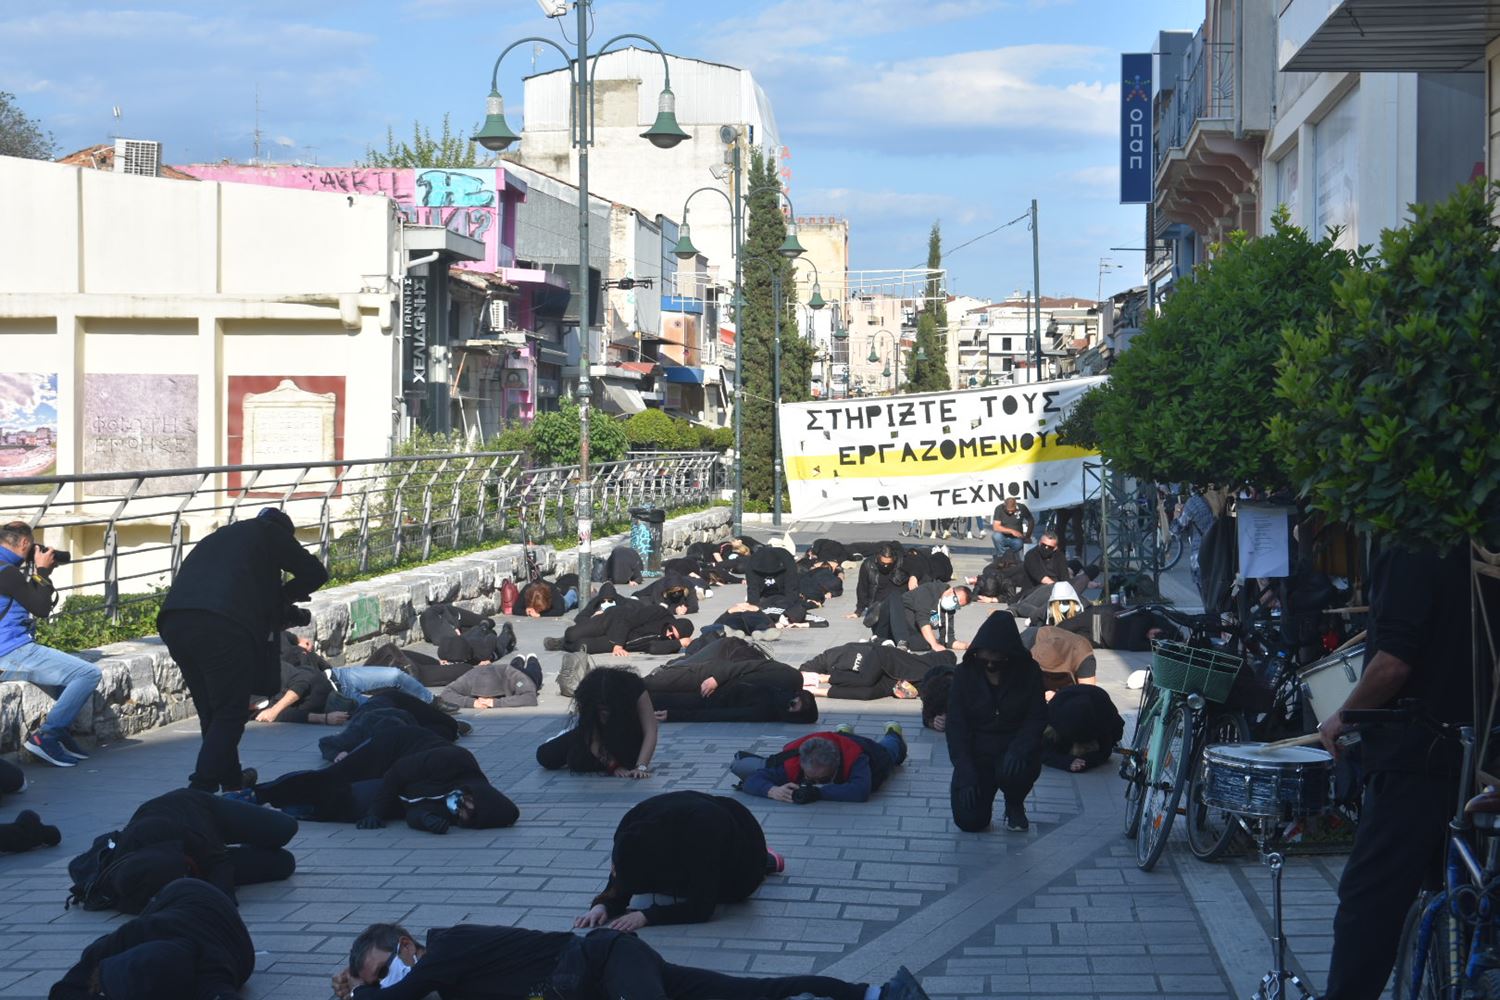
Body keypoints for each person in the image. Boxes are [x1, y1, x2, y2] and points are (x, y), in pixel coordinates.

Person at [1317, 543, 1479, 1000]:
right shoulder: (1477, 537)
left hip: (1416, 758)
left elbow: (1391, 666)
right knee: (1467, 903)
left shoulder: (1412, 549)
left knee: (1369, 905)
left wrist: (1344, 716)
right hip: (1478, 755)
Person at [156, 508, 329, 793]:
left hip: (175, 621)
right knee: (231, 712)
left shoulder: (221, 538)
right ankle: (200, 789)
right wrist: (286, 596)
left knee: (212, 711)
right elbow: (314, 573)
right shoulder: (270, 531)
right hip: (220, 625)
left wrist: (275, 603)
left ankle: (232, 780)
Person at [330, 922, 931, 1000]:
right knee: (747, 993)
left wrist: (358, 993)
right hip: (609, 979)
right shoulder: (446, 989)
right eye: (380, 978)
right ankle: (880, 993)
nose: (393, 979)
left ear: (407, 946)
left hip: (606, 958)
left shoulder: (448, 946)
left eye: (388, 968)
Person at [254, 725, 518, 833]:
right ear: (477, 794)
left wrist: (426, 822)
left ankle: (289, 809)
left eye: (465, 817)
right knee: (333, 776)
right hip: (393, 748)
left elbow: (415, 806)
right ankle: (261, 793)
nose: (459, 812)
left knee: (345, 798)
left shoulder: (457, 804)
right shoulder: (456, 760)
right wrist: (376, 812)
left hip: (401, 779)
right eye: (466, 807)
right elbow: (399, 772)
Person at [575, 790, 780, 929]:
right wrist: (604, 905)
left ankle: (768, 860)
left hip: (744, 855)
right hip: (711, 826)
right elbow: (623, 869)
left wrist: (647, 916)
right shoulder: (630, 826)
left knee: (715, 881)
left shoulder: (702, 834)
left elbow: (702, 908)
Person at [0, 520, 103, 766]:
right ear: (25, 543)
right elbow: (41, 608)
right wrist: (43, 573)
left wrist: (39, 575)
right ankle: (46, 737)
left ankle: (62, 734)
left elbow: (29, 599)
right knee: (88, 673)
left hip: (8, 654)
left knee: (61, 678)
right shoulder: (8, 572)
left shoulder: (6, 570)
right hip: (11, 651)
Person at [94, 788, 297, 912]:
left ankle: (240, 800)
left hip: (198, 811)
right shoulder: (129, 880)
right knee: (284, 863)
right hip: (197, 857)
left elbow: (219, 863)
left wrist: (221, 905)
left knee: (285, 828)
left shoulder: (181, 830)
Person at [51, 879, 255, 1000]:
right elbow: (61, 991)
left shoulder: (211, 973)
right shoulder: (136, 933)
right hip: (181, 900)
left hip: (198, 904)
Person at [946, 612, 1046, 833]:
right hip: (978, 752)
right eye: (985, 659)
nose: (990, 664)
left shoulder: (1029, 672)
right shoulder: (965, 674)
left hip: (1012, 748)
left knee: (1016, 768)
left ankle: (1014, 803)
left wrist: (1020, 748)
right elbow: (956, 726)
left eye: (997, 659)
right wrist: (965, 772)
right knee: (969, 821)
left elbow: (1037, 717)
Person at [734, 724, 908, 804]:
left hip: (868, 750)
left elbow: (860, 792)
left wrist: (817, 792)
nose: (813, 781)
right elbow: (752, 779)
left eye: (822, 777)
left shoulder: (855, 758)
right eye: (810, 777)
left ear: (836, 764)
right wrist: (772, 791)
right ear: (802, 763)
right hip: (832, 740)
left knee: (890, 752)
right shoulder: (793, 760)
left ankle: (893, 732)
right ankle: (842, 731)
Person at [536, 667, 658, 777]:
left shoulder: (634, 687)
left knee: (627, 760)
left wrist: (641, 766)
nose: (604, 714)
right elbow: (593, 739)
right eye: (600, 711)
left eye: (606, 710)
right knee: (546, 756)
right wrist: (613, 765)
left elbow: (651, 730)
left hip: (629, 734)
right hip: (593, 737)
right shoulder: (588, 697)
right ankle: (565, 735)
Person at [801, 640, 957, 701]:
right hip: (886, 659)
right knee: (865, 679)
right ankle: (824, 678)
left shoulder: (937, 692)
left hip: (894, 682)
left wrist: (910, 693)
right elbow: (949, 655)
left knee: (867, 694)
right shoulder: (945, 665)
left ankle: (817, 692)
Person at [543, 597, 693, 656]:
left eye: (673, 637)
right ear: (672, 623)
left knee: (582, 646)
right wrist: (618, 645)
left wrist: (678, 643)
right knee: (572, 634)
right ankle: (562, 640)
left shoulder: (671, 642)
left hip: (621, 641)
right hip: (613, 620)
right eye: (670, 631)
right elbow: (627, 619)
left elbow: (653, 648)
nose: (668, 636)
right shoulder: (659, 613)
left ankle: (563, 645)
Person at [871, 581, 972, 652]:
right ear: (951, 590)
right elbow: (922, 619)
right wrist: (934, 644)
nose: (954, 605)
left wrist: (967, 646)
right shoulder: (929, 590)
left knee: (927, 644)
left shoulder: (949, 611)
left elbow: (949, 640)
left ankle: (887, 643)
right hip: (888, 623)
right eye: (955, 601)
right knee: (895, 595)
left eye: (958, 606)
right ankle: (896, 642)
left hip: (908, 632)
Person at [1042, 684, 1124, 772]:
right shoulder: (1054, 716)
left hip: (1097, 713)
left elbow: (1105, 751)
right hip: (1065, 710)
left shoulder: (1106, 721)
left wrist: (1085, 761)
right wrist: (1065, 762)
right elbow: (1039, 750)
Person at [652, 685, 818, 724]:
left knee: (656, 699)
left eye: (792, 708)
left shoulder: (764, 711)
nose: (788, 705)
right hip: (712, 683)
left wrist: (674, 715)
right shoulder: (781, 689)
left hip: (706, 700)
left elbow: (721, 715)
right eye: (793, 701)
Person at [437, 655, 541, 711]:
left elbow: (529, 697)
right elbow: (446, 694)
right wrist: (471, 702)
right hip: (504, 669)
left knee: (534, 671)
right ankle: (519, 658)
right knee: (515, 663)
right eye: (479, 696)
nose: (483, 700)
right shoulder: (470, 677)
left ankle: (532, 658)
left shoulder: (514, 677)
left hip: (523, 675)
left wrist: (495, 703)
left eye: (490, 696)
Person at [1023, 622, 1099, 695]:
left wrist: (1059, 696)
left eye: (1050, 676)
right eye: (1043, 674)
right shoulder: (1027, 645)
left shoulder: (1083, 656)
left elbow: (1087, 694)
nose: (1048, 680)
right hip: (1036, 636)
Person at [851, 542, 913, 622]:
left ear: (894, 559)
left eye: (889, 564)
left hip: (899, 603)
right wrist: (858, 611)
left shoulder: (902, 561)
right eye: (883, 563)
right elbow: (862, 588)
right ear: (877, 558)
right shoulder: (868, 564)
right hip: (877, 605)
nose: (885, 566)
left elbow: (920, 563)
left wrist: (914, 576)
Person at [1173, 486, 1215, 590]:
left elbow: (1176, 529)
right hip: (1224, 556)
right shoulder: (1226, 498)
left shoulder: (1194, 503)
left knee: (1207, 599)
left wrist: (1176, 513)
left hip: (1200, 556)